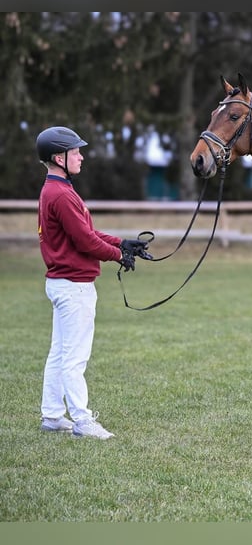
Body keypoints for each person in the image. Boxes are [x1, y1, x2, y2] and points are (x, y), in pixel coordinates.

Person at [36, 126, 149, 440]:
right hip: (74, 286)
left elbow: (87, 233)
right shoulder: (61, 194)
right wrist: (118, 256)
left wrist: (122, 243)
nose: (81, 157)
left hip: (63, 283)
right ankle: (82, 421)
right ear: (59, 157)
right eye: (76, 152)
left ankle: (53, 416)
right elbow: (86, 242)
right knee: (75, 357)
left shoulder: (55, 190)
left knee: (59, 353)